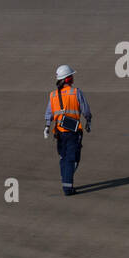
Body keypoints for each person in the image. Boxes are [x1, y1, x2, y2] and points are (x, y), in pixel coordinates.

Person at [44, 64, 91, 195]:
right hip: (73, 132)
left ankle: (66, 178)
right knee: (72, 159)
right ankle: (67, 186)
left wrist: (47, 127)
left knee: (64, 158)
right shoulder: (76, 92)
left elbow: (49, 113)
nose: (73, 78)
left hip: (59, 132)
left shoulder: (53, 95)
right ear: (68, 79)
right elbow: (85, 110)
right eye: (71, 76)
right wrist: (89, 120)